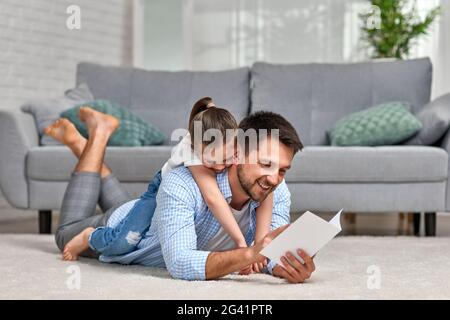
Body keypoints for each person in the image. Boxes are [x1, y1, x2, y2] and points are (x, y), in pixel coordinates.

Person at [50, 106, 315, 283]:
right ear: (237, 154)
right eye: (265, 164)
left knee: (137, 206)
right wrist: (248, 254)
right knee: (65, 235)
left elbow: (270, 246)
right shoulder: (184, 180)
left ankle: (90, 150)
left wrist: (284, 264)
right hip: (123, 227)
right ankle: (95, 138)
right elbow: (179, 262)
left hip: (154, 211)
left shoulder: (276, 190)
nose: (274, 178)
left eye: (283, 170)